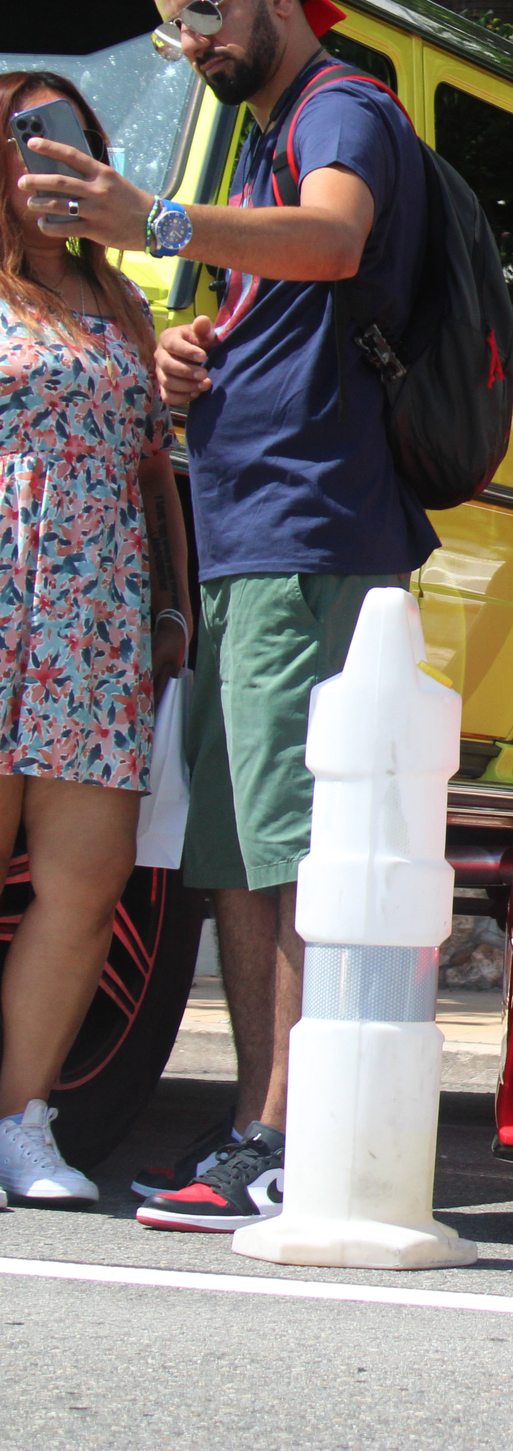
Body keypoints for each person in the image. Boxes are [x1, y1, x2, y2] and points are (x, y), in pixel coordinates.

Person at [12, 0, 437, 1231]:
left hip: (301, 530)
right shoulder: (267, 135)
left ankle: (279, 1133)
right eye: (175, 20)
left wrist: (164, 221)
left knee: (276, 849)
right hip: (255, 533)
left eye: (209, 7)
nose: (193, 40)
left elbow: (336, 238)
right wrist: (207, 352)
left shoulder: (339, 105)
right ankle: (269, 1131)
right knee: (243, 851)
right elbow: (289, 279)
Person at [0, 72, 190, 1209]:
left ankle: (22, 1122)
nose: (53, 165)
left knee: (85, 878)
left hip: (99, 617)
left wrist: (171, 603)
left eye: (73, 143)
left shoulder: (121, 305)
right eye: (30, 143)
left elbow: (149, 469)